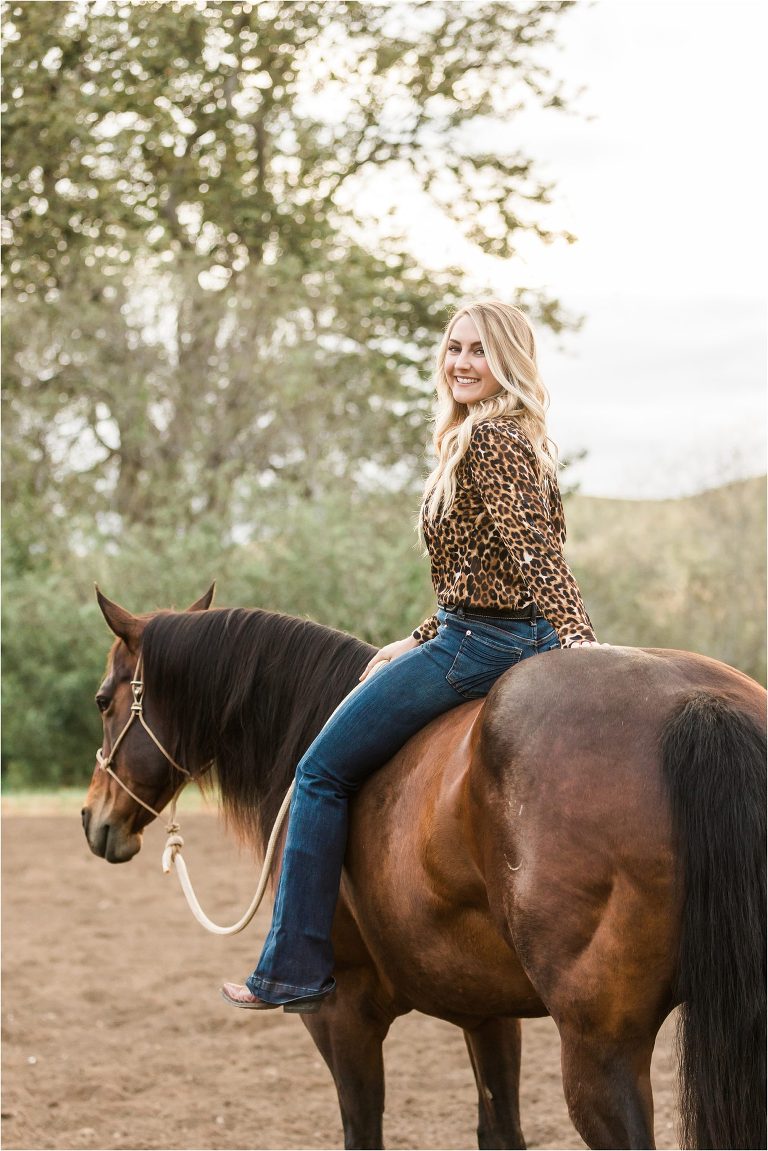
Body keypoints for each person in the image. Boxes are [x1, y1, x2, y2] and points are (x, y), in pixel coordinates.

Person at [221, 298, 603, 1013]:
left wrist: (583, 643)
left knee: (319, 772)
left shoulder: (490, 442)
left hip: (481, 646)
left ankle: (293, 966)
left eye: (479, 351)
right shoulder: (509, 437)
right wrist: (423, 633)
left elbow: (534, 554)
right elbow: (485, 568)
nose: (461, 362)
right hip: (482, 632)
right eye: (454, 347)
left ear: (509, 362)